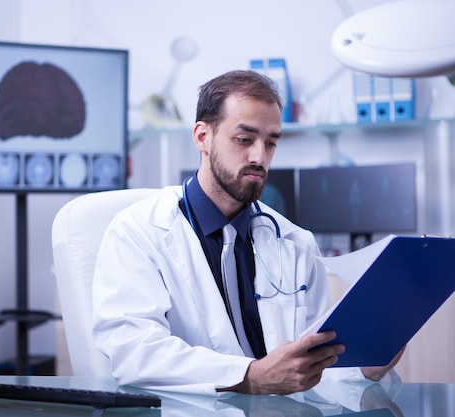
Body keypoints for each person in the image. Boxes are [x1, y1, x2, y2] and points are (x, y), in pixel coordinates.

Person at [91, 69, 402, 396]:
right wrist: (249, 376)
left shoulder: (296, 242)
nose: (259, 157)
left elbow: (313, 362)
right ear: (202, 137)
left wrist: (366, 367)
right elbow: (134, 352)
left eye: (270, 142)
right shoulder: (137, 232)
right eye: (244, 139)